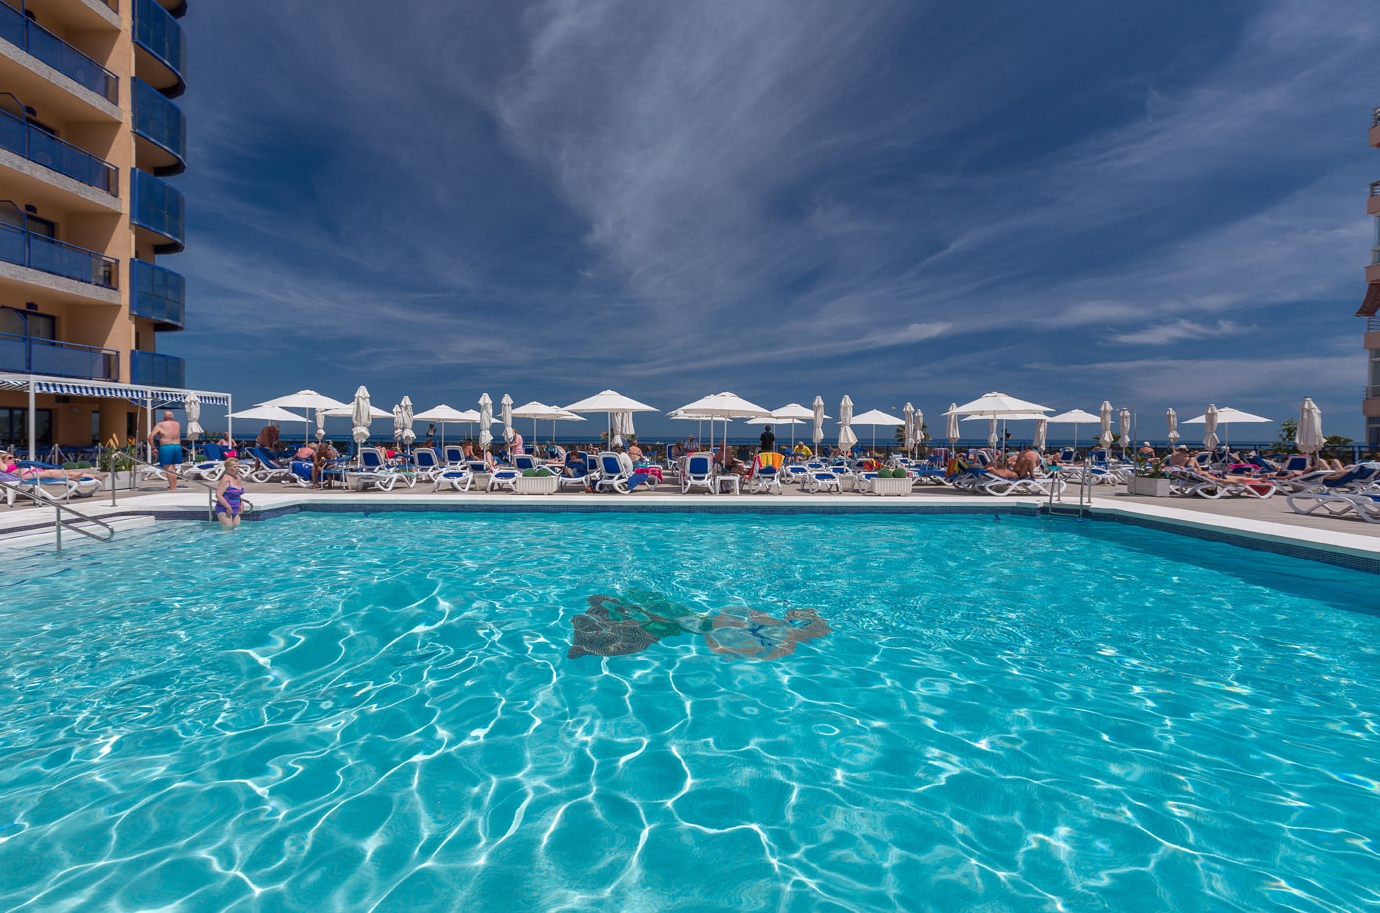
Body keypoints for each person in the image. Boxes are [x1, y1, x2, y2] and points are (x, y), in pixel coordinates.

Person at [0, 452, 106, 482]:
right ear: (3, 460)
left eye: (13, 457)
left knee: (66, 470)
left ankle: (94, 476)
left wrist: (20, 462)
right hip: (26, 475)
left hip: (36, 471)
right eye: (10, 458)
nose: (13, 459)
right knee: (51, 473)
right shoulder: (5, 467)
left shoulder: (17, 463)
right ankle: (71, 478)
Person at [148, 410, 182, 491]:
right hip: (177, 446)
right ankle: (174, 487)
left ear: (164, 417)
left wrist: (153, 448)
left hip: (167, 446)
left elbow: (150, 437)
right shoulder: (177, 424)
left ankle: (172, 488)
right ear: (172, 417)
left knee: (168, 467)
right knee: (173, 467)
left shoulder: (160, 424)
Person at [214, 458, 245, 529]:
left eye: (238, 467)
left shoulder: (238, 478)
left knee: (236, 530)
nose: (237, 468)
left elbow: (237, 493)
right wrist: (228, 507)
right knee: (227, 530)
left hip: (236, 508)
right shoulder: (226, 479)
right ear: (228, 468)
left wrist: (241, 503)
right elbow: (218, 495)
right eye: (234, 467)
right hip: (224, 509)